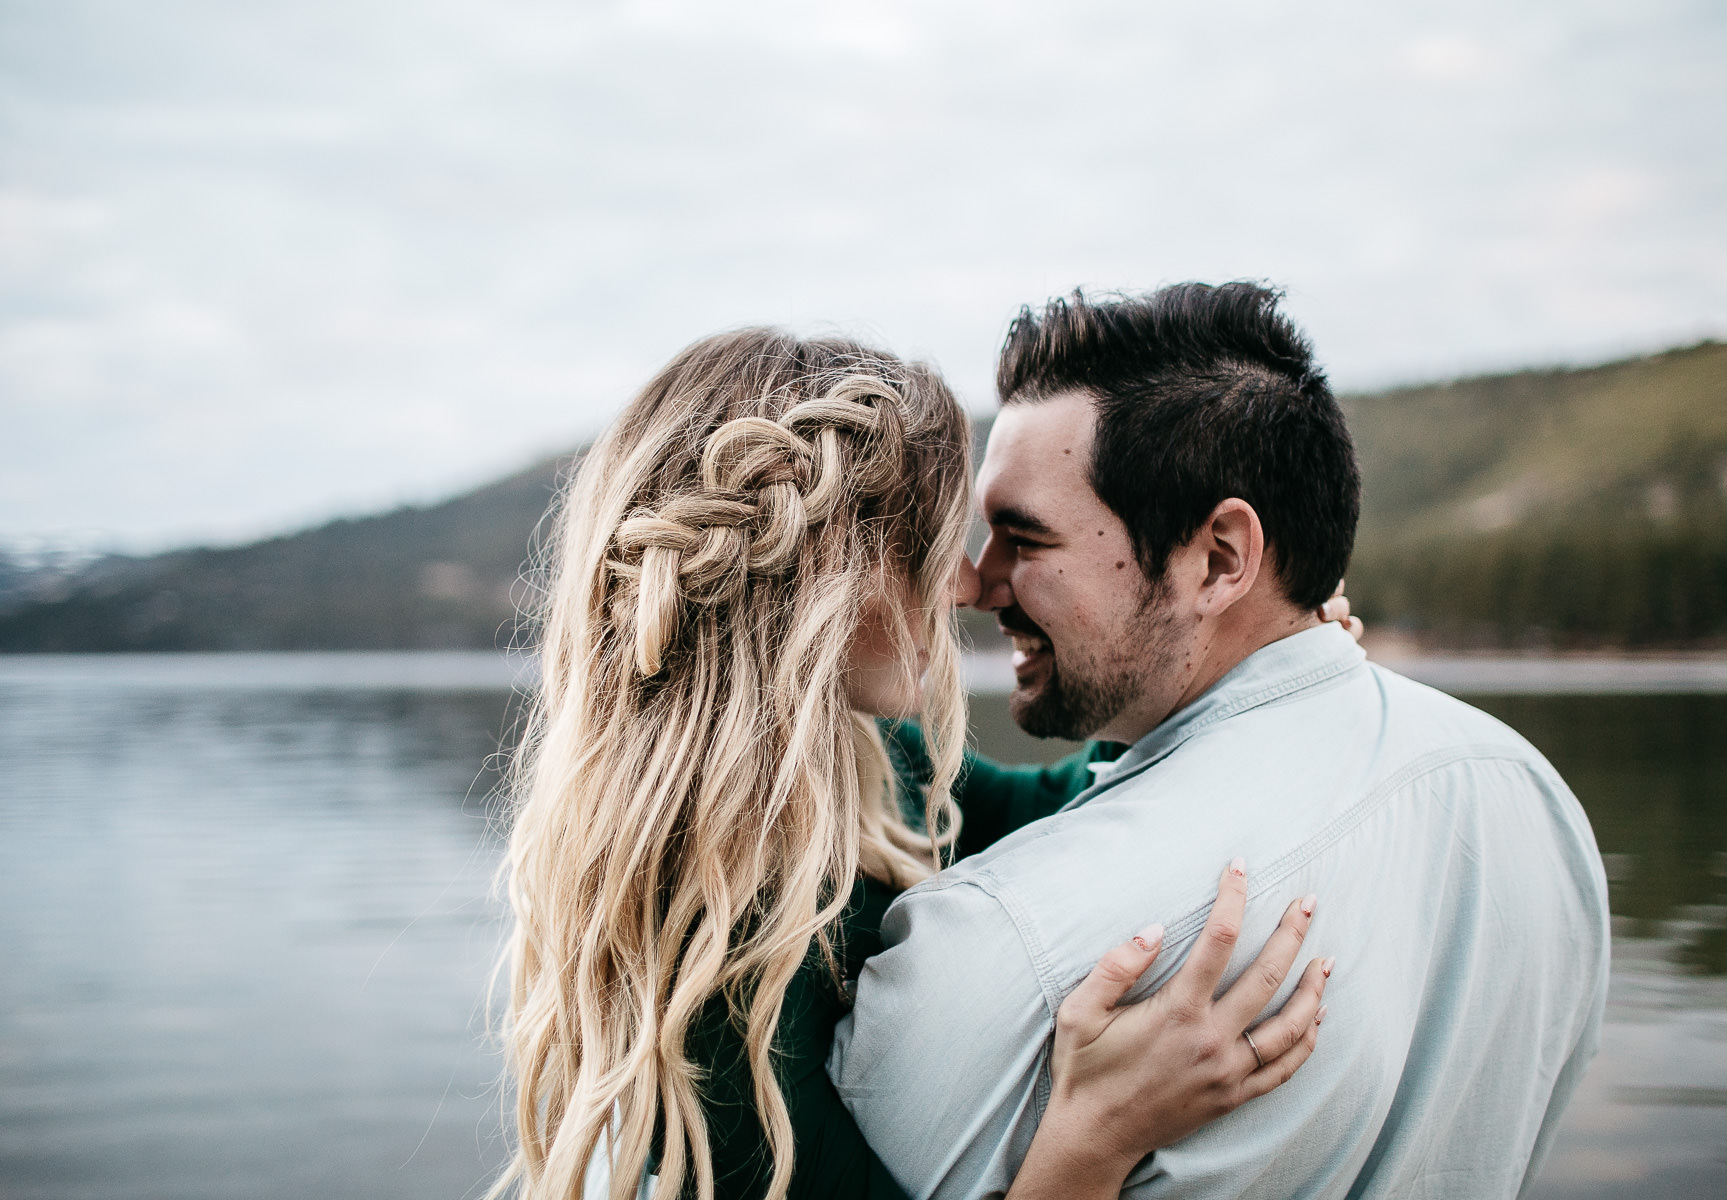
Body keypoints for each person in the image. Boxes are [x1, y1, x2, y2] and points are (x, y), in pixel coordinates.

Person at [494, 329, 1340, 1200]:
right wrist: (1100, 1134)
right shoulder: (702, 962)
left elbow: (1049, 802)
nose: (970, 587)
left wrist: (1247, 649)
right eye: (934, 547)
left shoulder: (854, 767)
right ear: (820, 576)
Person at [829, 283, 1611, 1199]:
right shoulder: (1530, 796)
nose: (978, 583)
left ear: (1221, 560)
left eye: (1023, 538)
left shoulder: (1002, 948)